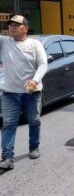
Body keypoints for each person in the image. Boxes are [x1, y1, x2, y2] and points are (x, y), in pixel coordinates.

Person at [0, 15, 48, 170]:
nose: (12, 27)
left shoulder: (35, 44)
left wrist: (35, 80)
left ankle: (34, 147)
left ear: (25, 28)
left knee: (34, 121)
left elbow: (43, 65)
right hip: (9, 93)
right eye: (10, 25)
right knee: (8, 124)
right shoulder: (5, 42)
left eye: (16, 25)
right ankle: (7, 157)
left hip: (31, 92)